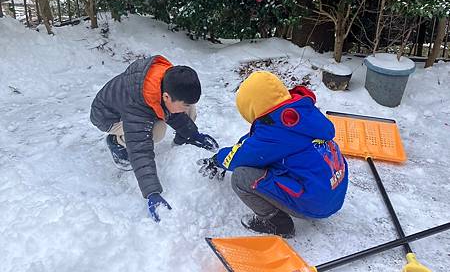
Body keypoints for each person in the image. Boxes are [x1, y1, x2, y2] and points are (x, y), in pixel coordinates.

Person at [198, 71, 348, 238]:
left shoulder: (275, 135)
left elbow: (240, 157)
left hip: (316, 204)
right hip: (333, 192)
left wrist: (217, 160)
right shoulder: (296, 115)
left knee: (241, 177)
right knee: (270, 159)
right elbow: (258, 142)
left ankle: (278, 224)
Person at [90, 55, 218, 221]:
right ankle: (117, 141)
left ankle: (183, 133)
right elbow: (140, 150)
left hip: (146, 104)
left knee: (188, 109)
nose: (186, 107)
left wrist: (194, 135)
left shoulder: (168, 83)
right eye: (182, 104)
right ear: (165, 97)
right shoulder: (136, 107)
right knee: (157, 131)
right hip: (109, 117)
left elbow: (168, 110)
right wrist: (152, 192)